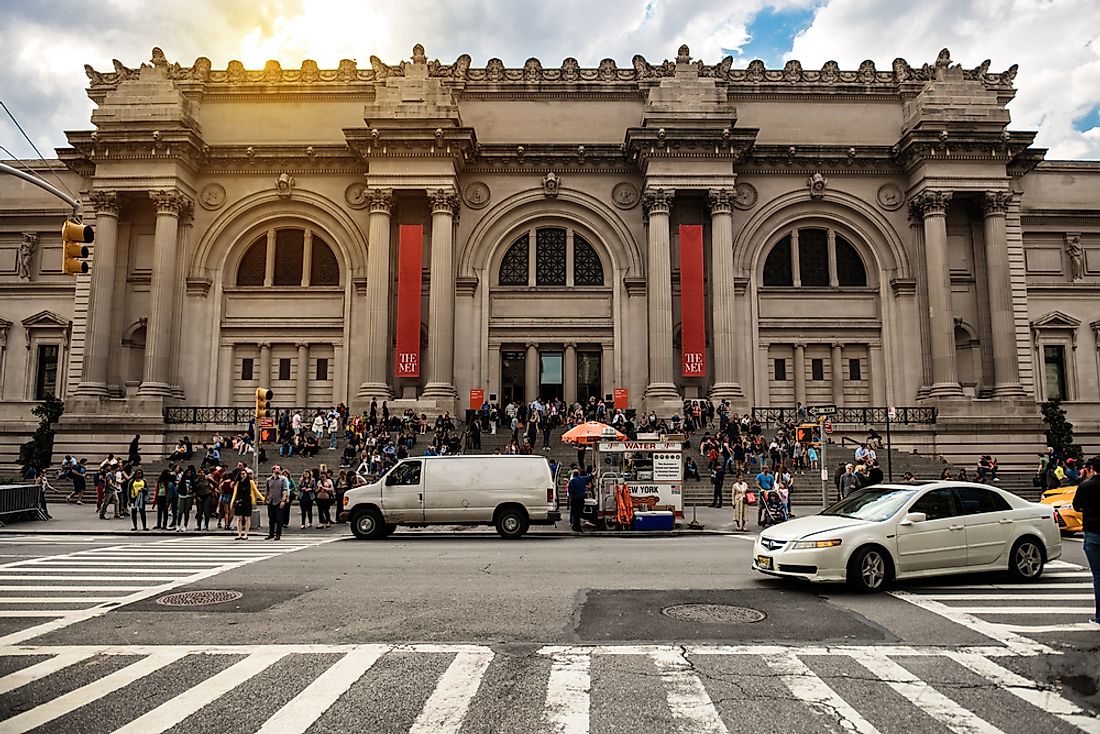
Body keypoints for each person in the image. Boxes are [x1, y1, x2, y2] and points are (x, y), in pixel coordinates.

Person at [1071, 456, 1100, 625]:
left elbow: (1076, 506)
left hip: (1093, 533)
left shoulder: (1086, 486)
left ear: (1092, 469)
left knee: (1098, 576)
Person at [231, 469, 263, 540]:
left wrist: (263, 498)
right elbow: (234, 493)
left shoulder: (250, 482)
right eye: (241, 474)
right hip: (239, 501)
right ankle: (239, 534)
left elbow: (256, 491)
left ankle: (246, 534)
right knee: (239, 518)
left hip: (247, 500)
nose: (243, 475)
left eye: (244, 474)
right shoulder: (237, 483)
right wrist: (232, 502)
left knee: (247, 518)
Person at [265, 466, 289, 540]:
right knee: (271, 518)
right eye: (276, 468)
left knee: (279, 519)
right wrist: (265, 498)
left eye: (279, 469)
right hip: (271, 501)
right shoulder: (269, 480)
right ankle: (271, 533)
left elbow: (285, 490)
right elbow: (267, 490)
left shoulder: (283, 479)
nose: (278, 470)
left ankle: (278, 534)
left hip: (279, 501)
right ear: (273, 470)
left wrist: (283, 500)